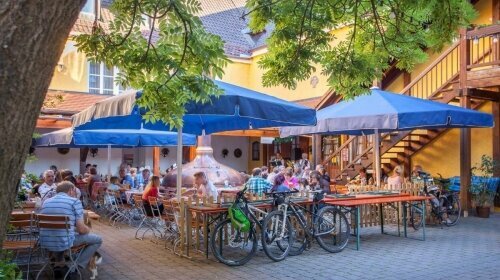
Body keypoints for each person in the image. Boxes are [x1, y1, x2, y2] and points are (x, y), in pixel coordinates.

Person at [39, 181, 102, 272]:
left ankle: (62, 261)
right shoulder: (74, 202)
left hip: (46, 241)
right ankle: (74, 266)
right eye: (75, 191)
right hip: (64, 241)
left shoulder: (46, 202)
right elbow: (81, 229)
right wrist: (88, 229)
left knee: (65, 233)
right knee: (98, 239)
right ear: (71, 190)